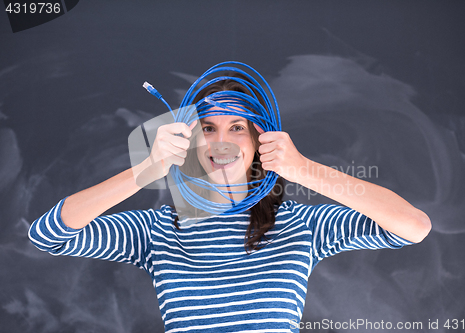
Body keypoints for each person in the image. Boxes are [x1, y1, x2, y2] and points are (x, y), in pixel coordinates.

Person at [29, 68, 431, 333]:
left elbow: (413, 227)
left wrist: (304, 169)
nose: (220, 140)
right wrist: (144, 171)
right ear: (191, 142)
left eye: (237, 126)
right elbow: (47, 235)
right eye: (208, 126)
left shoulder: (301, 225)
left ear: (260, 140)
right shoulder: (156, 232)